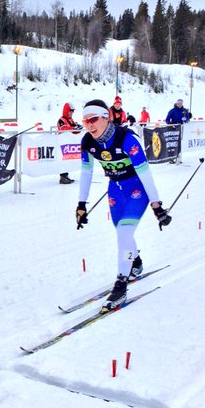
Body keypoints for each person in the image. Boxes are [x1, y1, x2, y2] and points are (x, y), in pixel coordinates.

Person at [75, 99, 172, 312]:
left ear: (106, 117)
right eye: (85, 121)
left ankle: (121, 284)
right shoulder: (87, 142)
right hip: (115, 191)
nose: (89, 125)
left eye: (93, 119)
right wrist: (81, 204)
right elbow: (86, 172)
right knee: (122, 233)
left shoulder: (127, 139)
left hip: (137, 189)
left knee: (124, 232)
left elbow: (145, 174)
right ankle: (135, 261)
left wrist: (157, 206)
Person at [57, 102, 81, 184]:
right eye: (71, 111)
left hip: (69, 143)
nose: (72, 113)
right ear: (67, 111)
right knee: (63, 160)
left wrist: (78, 127)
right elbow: (64, 129)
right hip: (62, 143)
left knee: (67, 160)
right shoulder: (61, 120)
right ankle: (63, 177)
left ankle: (66, 176)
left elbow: (74, 130)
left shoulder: (70, 120)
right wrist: (74, 127)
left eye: (73, 112)